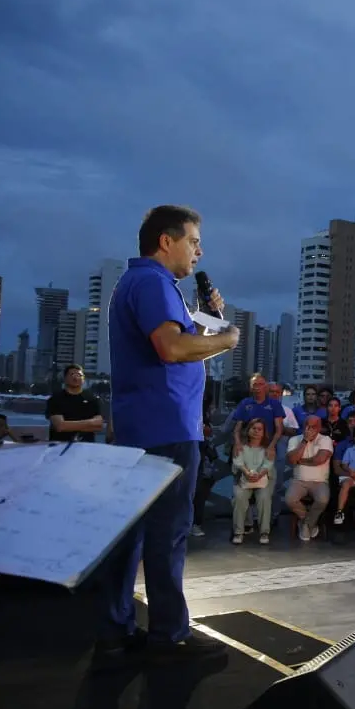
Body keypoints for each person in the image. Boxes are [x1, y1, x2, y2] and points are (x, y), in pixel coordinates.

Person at [95, 205, 240, 667]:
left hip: (141, 426)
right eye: (194, 241)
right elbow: (173, 348)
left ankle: (117, 630)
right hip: (168, 429)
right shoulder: (156, 284)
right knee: (168, 536)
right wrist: (227, 338)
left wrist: (206, 323)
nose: (199, 251)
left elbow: (172, 343)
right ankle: (169, 635)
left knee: (132, 535)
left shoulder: (136, 283)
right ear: (166, 241)